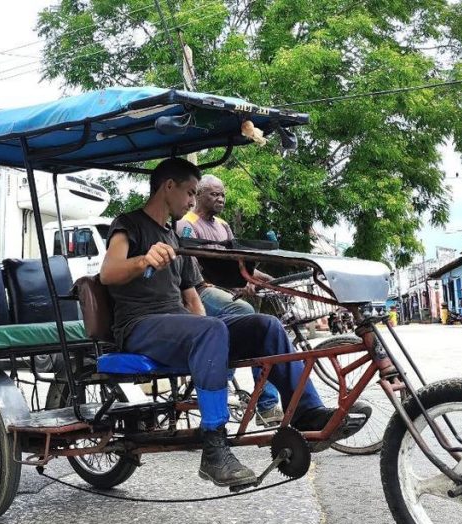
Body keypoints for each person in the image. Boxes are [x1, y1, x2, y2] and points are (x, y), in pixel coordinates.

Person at [101, 157, 369, 488]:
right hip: (139, 326)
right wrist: (143, 259)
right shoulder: (129, 224)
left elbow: (192, 297)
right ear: (168, 186)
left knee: (265, 326)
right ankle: (214, 446)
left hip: (178, 327)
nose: (191, 202)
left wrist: (209, 338)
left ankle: (305, 411)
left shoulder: (174, 238)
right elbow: (108, 272)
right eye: (190, 192)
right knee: (212, 329)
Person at [175, 174, 283, 426]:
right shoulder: (187, 224)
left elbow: (237, 264)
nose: (220, 199)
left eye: (223, 194)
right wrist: (238, 284)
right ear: (199, 195)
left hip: (225, 290)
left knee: (262, 327)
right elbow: (191, 270)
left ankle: (259, 398)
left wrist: (267, 281)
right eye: (214, 194)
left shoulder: (223, 226)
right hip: (200, 290)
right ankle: (257, 400)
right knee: (247, 315)